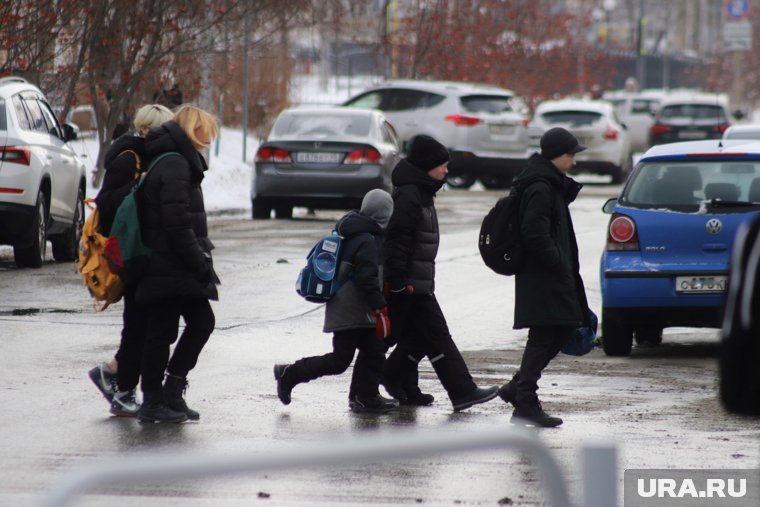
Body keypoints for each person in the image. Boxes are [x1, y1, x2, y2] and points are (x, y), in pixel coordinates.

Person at [381, 135, 499, 411]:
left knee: (419, 337)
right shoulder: (410, 195)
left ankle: (395, 378)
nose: (446, 170)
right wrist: (397, 283)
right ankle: (462, 391)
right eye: (441, 165)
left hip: (417, 282)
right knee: (437, 335)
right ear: (426, 166)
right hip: (410, 285)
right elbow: (396, 241)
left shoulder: (420, 191)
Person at [497, 127, 591, 428]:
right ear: (556, 156)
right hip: (543, 276)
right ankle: (525, 400)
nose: (574, 161)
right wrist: (557, 261)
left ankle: (518, 387)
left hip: (551, 274)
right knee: (544, 336)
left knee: (561, 331)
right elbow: (534, 233)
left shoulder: (550, 183)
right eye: (570, 155)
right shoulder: (540, 186)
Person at [274, 189, 398, 414]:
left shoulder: (355, 230)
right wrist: (380, 306)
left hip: (350, 307)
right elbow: (367, 279)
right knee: (342, 360)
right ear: (383, 214)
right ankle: (289, 374)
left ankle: (364, 397)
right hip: (353, 310)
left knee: (373, 351)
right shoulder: (368, 239)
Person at [135, 104, 220, 423]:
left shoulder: (176, 161)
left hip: (173, 263)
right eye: (205, 133)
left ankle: (170, 392)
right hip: (169, 263)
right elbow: (177, 223)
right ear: (192, 132)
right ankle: (154, 399)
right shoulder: (174, 164)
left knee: (195, 324)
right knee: (163, 330)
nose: (208, 140)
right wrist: (198, 261)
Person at [87, 104, 174, 417]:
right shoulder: (129, 158)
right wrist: (142, 186)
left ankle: (112, 373)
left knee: (141, 323)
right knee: (137, 325)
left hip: (139, 250)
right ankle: (123, 391)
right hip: (127, 251)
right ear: (148, 130)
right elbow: (106, 203)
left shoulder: (145, 157)